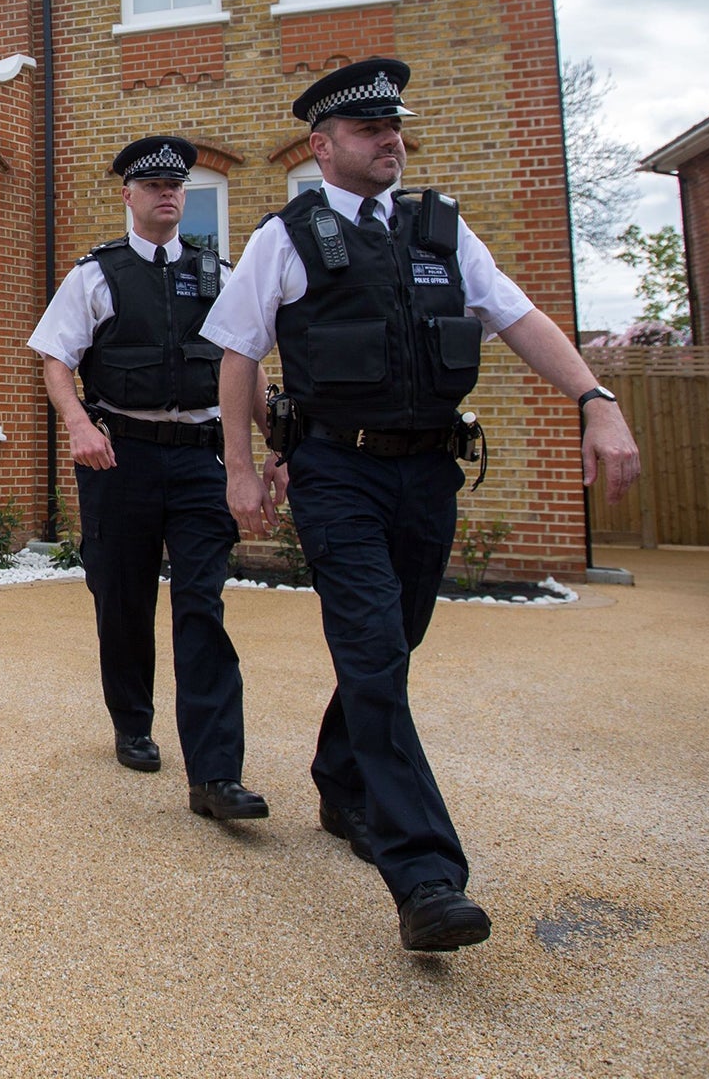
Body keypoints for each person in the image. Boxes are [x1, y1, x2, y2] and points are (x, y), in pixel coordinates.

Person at [203, 57, 640, 952]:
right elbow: (238, 354)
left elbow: (518, 319)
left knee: (393, 647)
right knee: (371, 648)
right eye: (369, 132)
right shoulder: (284, 238)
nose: (390, 141)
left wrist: (596, 400)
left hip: (428, 474)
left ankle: (339, 775)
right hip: (336, 473)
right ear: (323, 148)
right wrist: (239, 470)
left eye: (394, 127)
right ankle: (425, 875)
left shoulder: (442, 230)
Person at [28, 135, 268, 823]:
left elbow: (243, 361)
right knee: (123, 599)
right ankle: (132, 722)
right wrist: (78, 424)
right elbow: (55, 360)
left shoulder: (219, 274)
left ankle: (216, 775)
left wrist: (270, 447)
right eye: (153, 184)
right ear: (128, 195)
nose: (167, 193)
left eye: (176, 185)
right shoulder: (95, 276)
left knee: (202, 602)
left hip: (198, 458)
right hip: (120, 458)